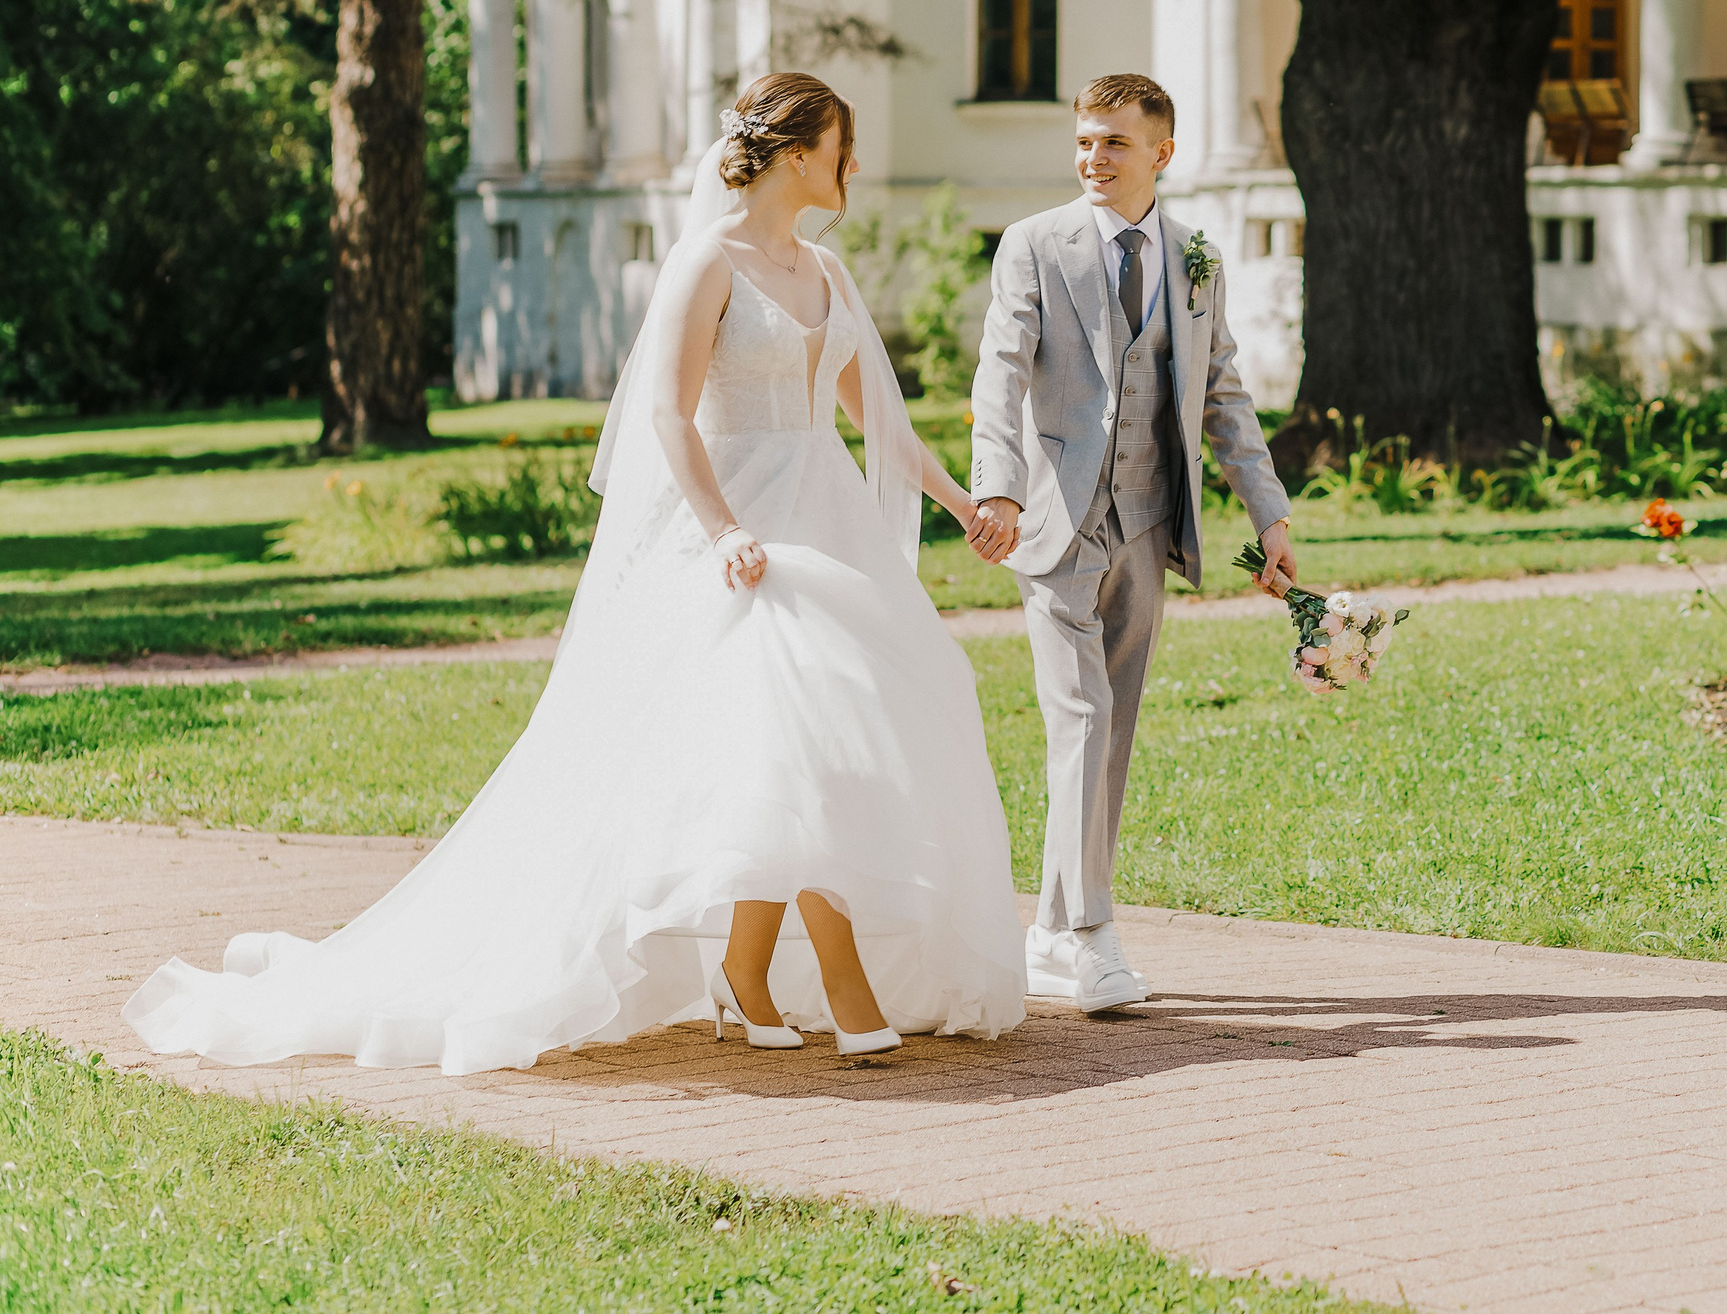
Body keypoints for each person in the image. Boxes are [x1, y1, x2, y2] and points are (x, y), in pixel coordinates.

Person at [124, 73, 1027, 1076]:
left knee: (808, 744)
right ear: (796, 152)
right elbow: (667, 418)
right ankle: (837, 978)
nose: (852, 167)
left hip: (829, 527)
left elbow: (878, 426)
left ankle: (747, 970)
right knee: (790, 729)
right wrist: (723, 530)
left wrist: (964, 506)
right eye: (841, 147)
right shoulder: (706, 262)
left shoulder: (827, 273)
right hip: (743, 537)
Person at [964, 72, 1295, 1012]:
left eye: (1113, 141)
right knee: (1079, 719)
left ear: (1163, 152)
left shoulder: (1196, 257)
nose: (1092, 158)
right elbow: (1000, 373)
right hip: (1055, 525)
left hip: (1150, 524)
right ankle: (1093, 937)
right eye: (1083, 141)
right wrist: (995, 487)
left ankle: (1047, 933)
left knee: (1110, 736)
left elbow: (1222, 391)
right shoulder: (1034, 245)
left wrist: (1268, 511)